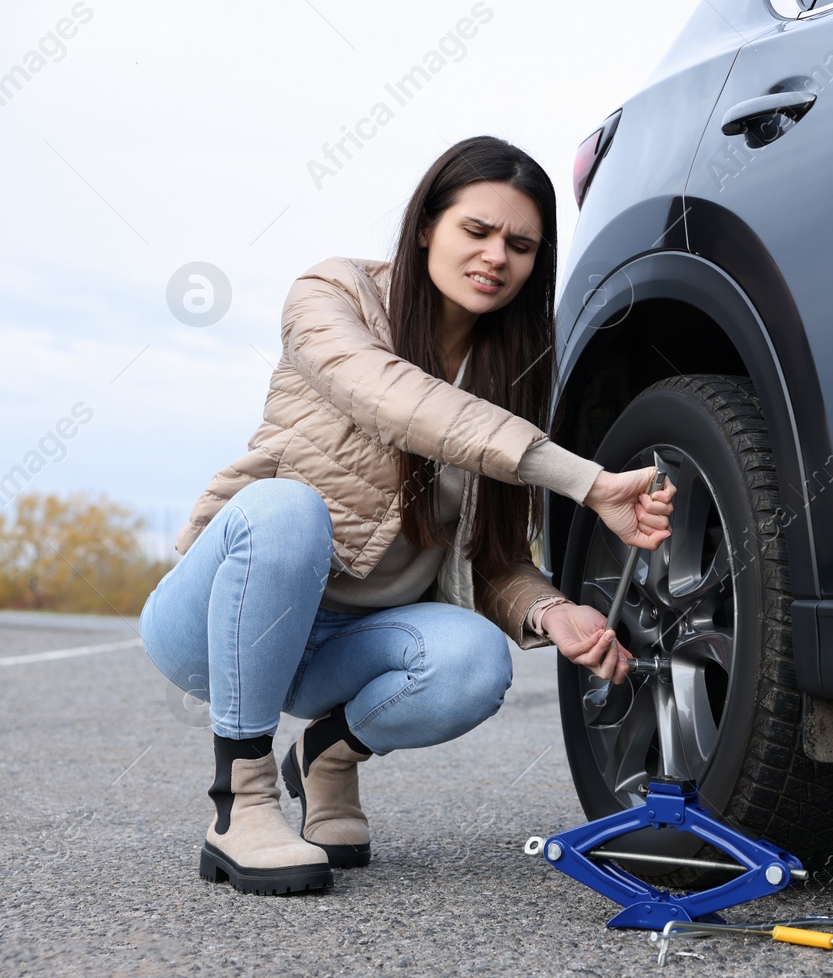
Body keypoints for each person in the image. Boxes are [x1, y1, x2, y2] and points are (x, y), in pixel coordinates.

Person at [138, 135, 676, 896]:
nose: (498, 256)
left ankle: (328, 753)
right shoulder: (333, 296)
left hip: (345, 651)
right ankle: (243, 802)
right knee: (289, 511)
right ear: (427, 222)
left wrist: (553, 610)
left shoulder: (514, 377)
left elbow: (488, 559)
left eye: (522, 245)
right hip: (219, 624)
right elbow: (396, 401)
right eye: (477, 231)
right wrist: (586, 481)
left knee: (474, 663)